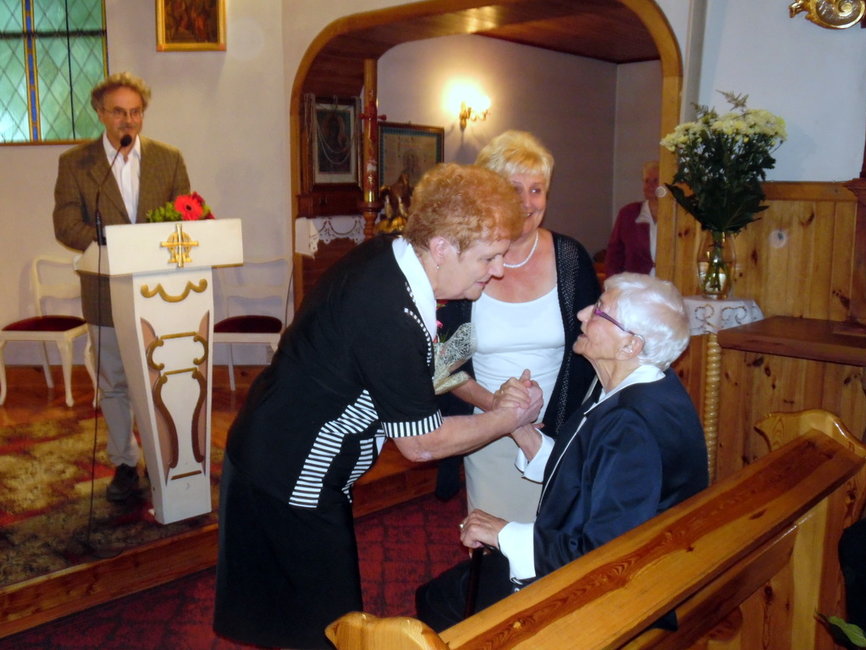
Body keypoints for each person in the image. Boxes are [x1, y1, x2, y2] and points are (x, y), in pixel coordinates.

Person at [213, 163, 545, 649]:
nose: (497, 270)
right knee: (332, 629)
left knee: (300, 620)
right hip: (290, 472)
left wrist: (492, 400)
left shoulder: (394, 258)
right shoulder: (389, 309)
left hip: (277, 448)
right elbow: (421, 445)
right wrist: (509, 417)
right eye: (489, 257)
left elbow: (430, 364)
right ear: (442, 248)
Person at [416, 273, 709, 631]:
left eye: (599, 310)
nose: (583, 313)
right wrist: (520, 427)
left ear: (630, 345)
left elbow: (605, 553)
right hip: (645, 565)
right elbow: (593, 469)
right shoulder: (649, 387)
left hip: (624, 595)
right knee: (451, 589)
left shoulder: (631, 424)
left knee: (438, 600)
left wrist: (504, 533)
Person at [436, 130, 600, 521]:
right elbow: (442, 366)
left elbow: (597, 345)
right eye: (514, 189)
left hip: (562, 433)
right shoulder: (467, 262)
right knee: (497, 543)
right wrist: (499, 409)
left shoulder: (570, 259)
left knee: (561, 542)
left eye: (536, 190)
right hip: (490, 434)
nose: (527, 202)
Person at [53, 72, 191, 502]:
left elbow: (185, 217)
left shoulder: (168, 158)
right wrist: (110, 243)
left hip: (161, 293)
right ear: (100, 113)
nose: (128, 120)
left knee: (159, 379)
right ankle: (125, 463)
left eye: (135, 112)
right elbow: (65, 224)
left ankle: (165, 458)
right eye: (118, 112)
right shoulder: (76, 163)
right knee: (113, 380)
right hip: (104, 287)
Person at [604, 160, 660, 276]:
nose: (650, 186)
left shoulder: (676, 217)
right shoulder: (628, 213)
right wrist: (613, 281)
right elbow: (614, 254)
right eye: (646, 181)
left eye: (656, 181)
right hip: (635, 283)